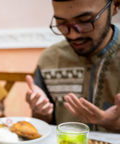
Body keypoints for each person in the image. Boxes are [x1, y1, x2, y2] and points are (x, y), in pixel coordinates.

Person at [26, 0, 120, 132]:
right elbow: (42, 128)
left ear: (115, 6)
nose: (73, 34)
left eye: (85, 21)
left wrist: (115, 125)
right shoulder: (49, 59)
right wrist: (41, 113)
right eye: (61, 23)